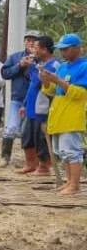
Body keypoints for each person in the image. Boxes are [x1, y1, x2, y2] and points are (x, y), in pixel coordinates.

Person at [40, 33, 87, 195]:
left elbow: (81, 94)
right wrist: (46, 81)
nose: (63, 53)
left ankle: (75, 185)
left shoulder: (84, 67)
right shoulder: (62, 67)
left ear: (77, 48)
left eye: (66, 49)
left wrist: (58, 80)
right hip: (59, 114)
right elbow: (54, 91)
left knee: (72, 152)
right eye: (61, 50)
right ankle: (68, 182)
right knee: (62, 152)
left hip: (72, 116)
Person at [19, 35, 59, 176]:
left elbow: (40, 84)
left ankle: (44, 167)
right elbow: (32, 85)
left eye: (36, 47)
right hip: (31, 107)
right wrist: (24, 104)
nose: (33, 50)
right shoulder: (38, 65)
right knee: (27, 137)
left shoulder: (54, 66)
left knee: (42, 138)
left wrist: (31, 67)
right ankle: (30, 164)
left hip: (43, 109)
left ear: (44, 49)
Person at [0, 30, 38, 167]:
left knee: (34, 130)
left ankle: (36, 161)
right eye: (28, 40)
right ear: (24, 42)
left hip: (36, 99)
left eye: (34, 40)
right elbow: (5, 74)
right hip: (18, 98)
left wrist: (34, 64)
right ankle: (5, 157)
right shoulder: (15, 57)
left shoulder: (42, 58)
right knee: (11, 128)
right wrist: (19, 66)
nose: (31, 42)